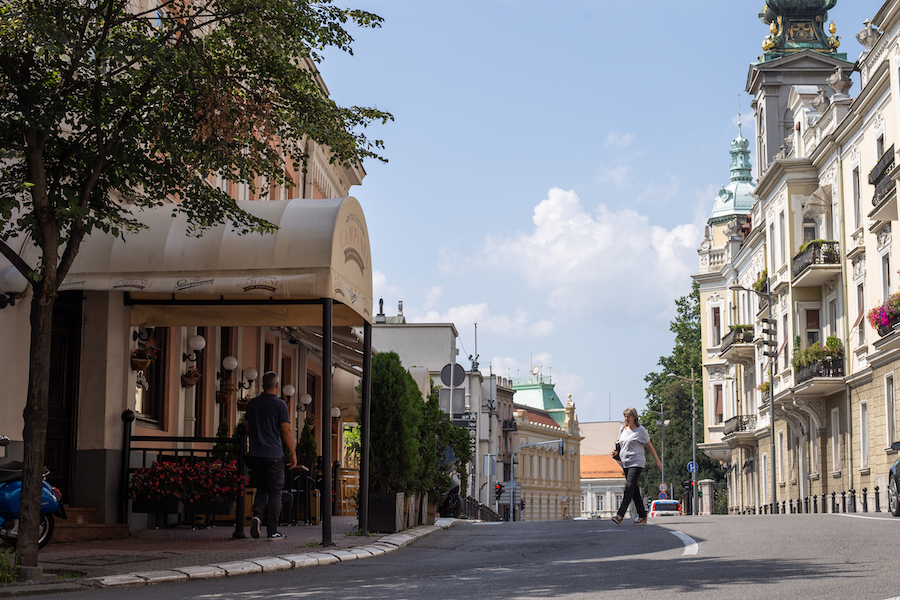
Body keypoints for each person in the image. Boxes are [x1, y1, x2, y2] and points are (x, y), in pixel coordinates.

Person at [245, 371, 297, 540]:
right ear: (277, 386)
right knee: (275, 491)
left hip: (255, 454)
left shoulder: (252, 404)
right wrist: (293, 453)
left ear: (262, 386)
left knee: (262, 488)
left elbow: (247, 427)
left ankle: (257, 516)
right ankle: (272, 530)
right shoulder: (280, 405)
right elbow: (286, 429)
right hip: (273, 454)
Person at [612, 407, 662, 525]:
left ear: (634, 417)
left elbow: (649, 446)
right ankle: (643, 515)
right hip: (625, 462)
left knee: (629, 487)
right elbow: (621, 445)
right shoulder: (622, 430)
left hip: (637, 462)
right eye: (625, 416)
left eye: (628, 416)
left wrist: (657, 461)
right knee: (634, 490)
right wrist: (616, 453)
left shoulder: (640, 430)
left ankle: (620, 515)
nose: (626, 419)